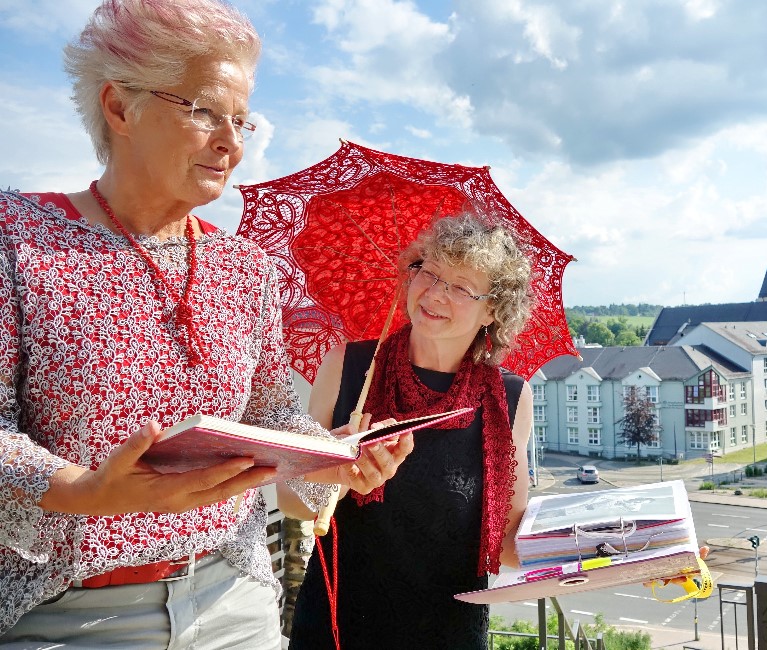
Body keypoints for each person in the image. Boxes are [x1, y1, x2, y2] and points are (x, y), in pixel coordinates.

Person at [0, 1, 412, 647]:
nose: (233, 142)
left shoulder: (245, 267)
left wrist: (331, 457)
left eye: (241, 119)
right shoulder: (15, 238)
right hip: (70, 613)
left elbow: (272, 412)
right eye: (203, 111)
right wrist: (81, 491)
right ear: (118, 107)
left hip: (236, 600)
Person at [283, 214, 535, 649]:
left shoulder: (510, 397)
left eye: (459, 286)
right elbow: (290, 497)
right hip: (337, 628)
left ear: (492, 309)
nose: (435, 293)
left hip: (450, 634)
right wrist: (337, 473)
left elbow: (510, 543)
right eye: (429, 273)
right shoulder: (349, 366)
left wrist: (629, 553)